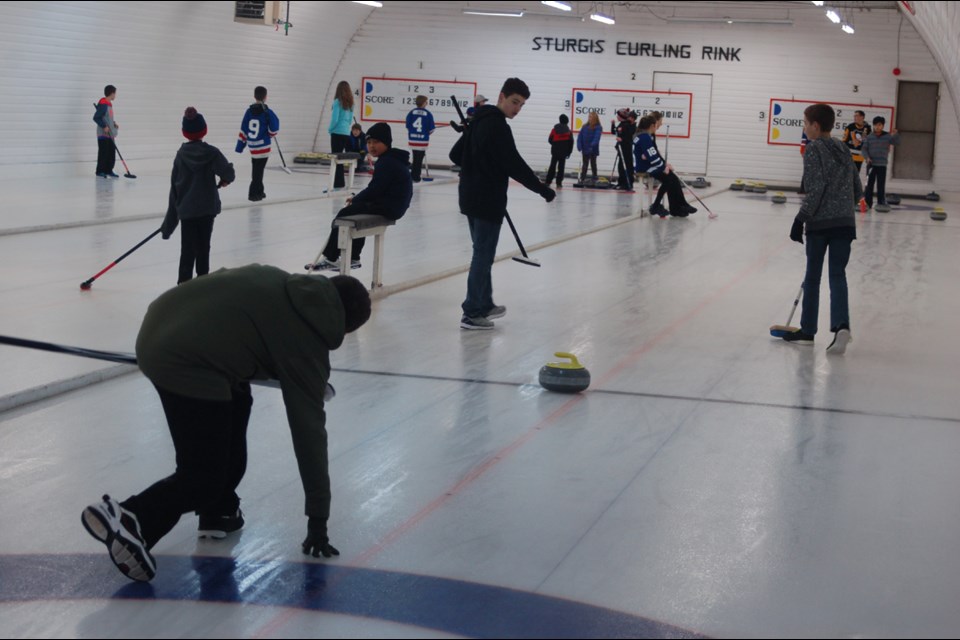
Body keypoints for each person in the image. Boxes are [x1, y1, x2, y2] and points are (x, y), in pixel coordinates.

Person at [80, 265, 372, 582]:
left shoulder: (277, 279)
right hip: (186, 360)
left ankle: (220, 510)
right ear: (343, 328)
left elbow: (219, 283)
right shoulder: (307, 343)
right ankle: (129, 515)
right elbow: (309, 433)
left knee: (238, 403)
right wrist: (318, 518)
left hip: (164, 320)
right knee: (203, 475)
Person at [449, 77, 556, 330]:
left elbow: (456, 155)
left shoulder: (478, 121)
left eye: (521, 105)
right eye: (514, 102)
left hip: (471, 196)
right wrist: (541, 189)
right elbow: (513, 164)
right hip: (486, 199)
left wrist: (474, 148)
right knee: (482, 255)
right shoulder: (497, 126)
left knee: (482, 253)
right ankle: (472, 311)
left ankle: (484, 304)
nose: (517, 109)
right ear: (501, 97)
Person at [782, 103, 862, 354]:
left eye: (805, 124)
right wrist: (842, 206)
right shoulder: (842, 147)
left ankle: (807, 331)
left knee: (813, 277)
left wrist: (800, 219)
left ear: (815, 126)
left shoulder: (813, 149)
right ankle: (841, 326)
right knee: (837, 275)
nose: (804, 129)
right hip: (845, 223)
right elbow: (858, 190)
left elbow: (815, 190)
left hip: (820, 224)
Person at [308, 122, 412, 271]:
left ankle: (330, 258)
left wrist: (356, 199)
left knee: (344, 214)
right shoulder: (391, 158)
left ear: (386, 143)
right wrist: (359, 199)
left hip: (390, 206)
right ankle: (353, 258)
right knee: (356, 212)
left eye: (376, 142)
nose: (372, 146)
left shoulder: (387, 162)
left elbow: (374, 189)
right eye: (369, 142)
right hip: (393, 204)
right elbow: (378, 189)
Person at [162, 107, 235, 285]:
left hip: (187, 211)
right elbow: (228, 173)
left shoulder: (180, 156)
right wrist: (225, 178)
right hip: (206, 209)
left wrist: (169, 224)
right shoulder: (211, 153)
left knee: (187, 250)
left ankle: (183, 286)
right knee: (203, 249)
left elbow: (175, 190)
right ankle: (202, 286)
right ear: (205, 130)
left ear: (184, 132)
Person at [633, 115, 695, 217]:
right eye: (657, 125)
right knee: (669, 178)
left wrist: (665, 165)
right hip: (645, 167)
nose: (658, 127)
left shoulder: (642, 136)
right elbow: (652, 157)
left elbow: (651, 155)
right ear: (652, 125)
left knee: (672, 178)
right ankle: (658, 206)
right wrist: (663, 167)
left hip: (647, 165)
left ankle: (678, 206)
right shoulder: (644, 138)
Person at [235, 86, 279, 202]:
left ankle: (260, 191)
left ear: (254, 96)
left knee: (257, 169)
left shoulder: (249, 111)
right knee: (258, 171)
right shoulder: (267, 112)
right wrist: (270, 134)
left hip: (253, 147)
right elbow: (274, 128)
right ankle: (253, 194)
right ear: (265, 97)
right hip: (264, 147)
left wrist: (240, 146)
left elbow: (243, 129)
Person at [861, 116, 900, 210]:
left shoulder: (887, 136)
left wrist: (895, 135)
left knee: (881, 185)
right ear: (873, 126)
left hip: (882, 164)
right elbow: (864, 149)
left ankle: (881, 202)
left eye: (879, 125)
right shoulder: (869, 137)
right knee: (869, 185)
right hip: (871, 165)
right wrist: (867, 158)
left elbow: (897, 143)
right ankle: (868, 203)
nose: (877, 127)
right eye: (875, 125)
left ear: (883, 126)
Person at [328, 81, 355, 189]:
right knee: (340, 158)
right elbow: (349, 120)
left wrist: (330, 129)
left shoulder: (337, 102)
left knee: (335, 158)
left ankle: (337, 184)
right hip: (345, 133)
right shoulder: (351, 103)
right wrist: (345, 129)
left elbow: (335, 119)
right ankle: (340, 183)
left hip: (337, 132)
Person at [405, 95, 436, 182]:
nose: (427, 103)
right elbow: (431, 129)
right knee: (419, 159)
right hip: (423, 140)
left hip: (413, 140)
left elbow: (407, 126)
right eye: (426, 101)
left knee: (415, 158)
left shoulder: (411, 112)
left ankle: (413, 175)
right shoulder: (428, 114)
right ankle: (416, 177)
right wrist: (425, 133)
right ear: (423, 102)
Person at [93, 85, 119, 178]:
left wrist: (113, 123)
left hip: (110, 133)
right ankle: (100, 171)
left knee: (111, 153)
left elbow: (107, 118)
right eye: (115, 93)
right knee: (104, 153)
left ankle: (109, 170)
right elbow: (96, 117)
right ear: (112, 93)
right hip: (103, 134)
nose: (115, 95)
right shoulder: (103, 104)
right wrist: (104, 126)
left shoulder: (109, 104)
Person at [545, 114, 574, 189]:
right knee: (561, 168)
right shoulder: (568, 132)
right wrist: (569, 152)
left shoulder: (554, 130)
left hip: (555, 151)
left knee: (552, 166)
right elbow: (571, 143)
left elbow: (550, 140)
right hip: (563, 152)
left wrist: (554, 145)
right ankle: (559, 183)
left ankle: (548, 182)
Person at [613, 109, 637, 190]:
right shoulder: (623, 124)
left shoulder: (630, 126)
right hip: (621, 148)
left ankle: (628, 183)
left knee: (627, 166)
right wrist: (613, 125)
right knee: (620, 166)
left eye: (630, 117)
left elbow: (629, 137)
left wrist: (622, 139)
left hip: (627, 149)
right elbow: (616, 132)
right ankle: (621, 182)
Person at [576, 111, 603, 184]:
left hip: (593, 149)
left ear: (594, 118)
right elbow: (580, 136)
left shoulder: (598, 127)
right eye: (589, 116)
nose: (589, 118)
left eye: (591, 117)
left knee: (593, 163)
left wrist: (592, 145)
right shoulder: (584, 126)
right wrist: (579, 145)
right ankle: (582, 178)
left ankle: (594, 177)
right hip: (585, 148)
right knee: (585, 164)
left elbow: (596, 138)